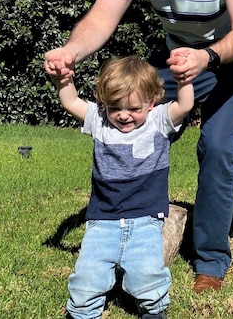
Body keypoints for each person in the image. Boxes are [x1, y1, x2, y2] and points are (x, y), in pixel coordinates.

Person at [44, 0, 233, 293]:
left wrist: (208, 56)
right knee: (127, 134)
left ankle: (210, 262)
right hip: (176, 54)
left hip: (228, 57)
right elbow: (103, 16)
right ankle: (120, 229)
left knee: (216, 148)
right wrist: (71, 51)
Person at [50, 56, 194, 319]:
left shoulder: (158, 121)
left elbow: (185, 104)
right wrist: (63, 81)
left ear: (151, 102)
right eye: (115, 107)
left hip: (146, 218)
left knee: (147, 272)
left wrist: (184, 81)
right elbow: (71, 102)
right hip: (102, 219)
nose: (124, 115)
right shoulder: (100, 121)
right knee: (88, 274)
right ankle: (82, 312)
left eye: (133, 108)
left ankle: (153, 310)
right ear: (104, 104)